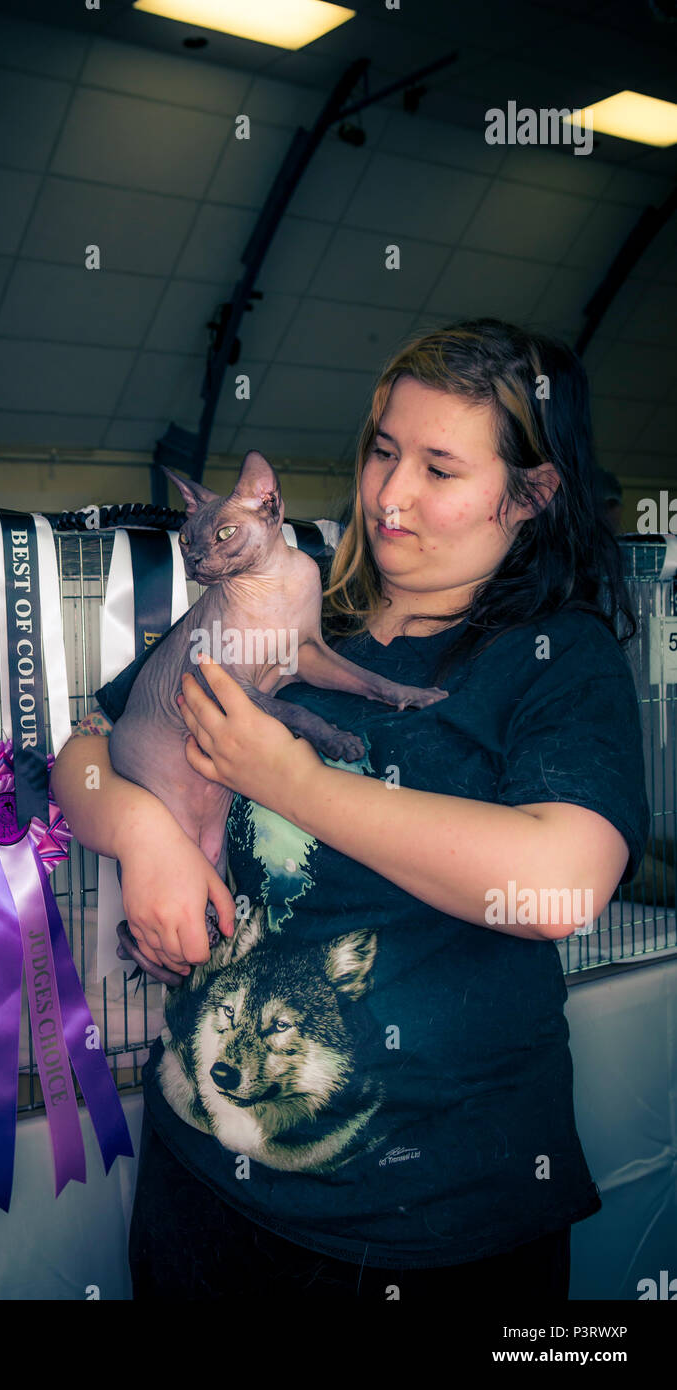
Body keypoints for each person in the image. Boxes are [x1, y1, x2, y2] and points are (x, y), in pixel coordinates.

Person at [51, 318, 650, 1301]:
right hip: (204, 1187)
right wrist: (142, 831)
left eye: (439, 468)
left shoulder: (552, 658)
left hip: (422, 1231)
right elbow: (79, 749)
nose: (387, 495)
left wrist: (291, 781)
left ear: (530, 495)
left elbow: (555, 884)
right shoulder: (277, 612)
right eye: (382, 450)